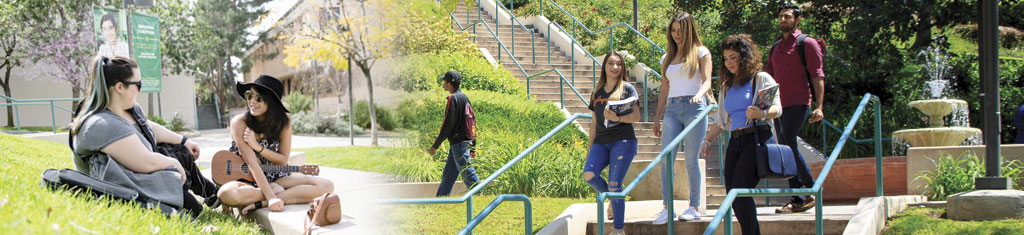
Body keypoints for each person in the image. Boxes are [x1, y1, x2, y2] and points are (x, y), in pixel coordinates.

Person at [70, 56, 205, 217]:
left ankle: (209, 192)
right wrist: (174, 164)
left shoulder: (123, 112)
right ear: (120, 87)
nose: (140, 90)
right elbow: (145, 162)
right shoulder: (102, 124)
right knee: (191, 209)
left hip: (136, 183)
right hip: (122, 191)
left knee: (192, 206)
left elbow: (148, 126)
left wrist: (184, 141)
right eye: (138, 85)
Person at [217, 75, 334, 214]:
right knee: (225, 193)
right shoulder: (240, 122)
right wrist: (271, 195)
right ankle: (273, 193)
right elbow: (252, 163)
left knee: (327, 186)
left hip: (276, 178)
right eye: (249, 96)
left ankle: (262, 202)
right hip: (248, 179)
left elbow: (283, 159)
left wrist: (257, 147)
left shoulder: (284, 123)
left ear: (271, 101)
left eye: (258, 98)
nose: (252, 102)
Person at [701, 34, 783, 235]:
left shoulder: (760, 78)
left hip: (756, 138)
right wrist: (707, 140)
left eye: (734, 57)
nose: (729, 62)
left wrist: (761, 113)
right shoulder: (726, 86)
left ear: (744, 58)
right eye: (726, 58)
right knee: (732, 194)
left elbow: (777, 108)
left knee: (740, 191)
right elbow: (721, 121)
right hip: (735, 142)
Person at [650, 11, 713, 224]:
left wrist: (698, 95)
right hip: (672, 109)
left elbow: (707, 81)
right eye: (673, 30)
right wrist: (657, 118)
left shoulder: (701, 52)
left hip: (694, 107)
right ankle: (667, 208)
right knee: (666, 158)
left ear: (689, 30)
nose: (676, 34)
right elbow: (665, 90)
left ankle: (693, 206)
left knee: (691, 160)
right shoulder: (666, 58)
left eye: (680, 30)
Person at [764, 3, 824, 213]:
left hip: (799, 102)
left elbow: (817, 76)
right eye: (780, 17)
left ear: (797, 20)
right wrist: (763, 106)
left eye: (787, 16)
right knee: (785, 148)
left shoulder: (807, 43)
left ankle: (811, 187)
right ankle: (798, 199)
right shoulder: (775, 47)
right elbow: (768, 80)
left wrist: (819, 106)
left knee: (788, 141)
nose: (783, 20)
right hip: (779, 106)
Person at [584, 51, 641, 235]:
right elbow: (593, 122)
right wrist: (590, 145)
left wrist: (617, 117)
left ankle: (618, 229)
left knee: (615, 184)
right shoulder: (597, 92)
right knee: (589, 175)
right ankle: (611, 196)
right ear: (604, 66)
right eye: (611, 63)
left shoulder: (627, 89)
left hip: (623, 140)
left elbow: (637, 116)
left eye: (619, 64)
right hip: (601, 141)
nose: (615, 67)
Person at [429, 70, 480, 196]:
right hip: (461, 143)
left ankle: (482, 195)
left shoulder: (453, 98)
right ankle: (440, 199)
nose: (443, 84)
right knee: (448, 174)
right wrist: (473, 146)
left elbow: (447, 124)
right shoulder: (464, 97)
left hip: (459, 144)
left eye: (444, 82)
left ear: (449, 84)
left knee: (467, 173)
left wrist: (435, 145)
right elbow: (472, 122)